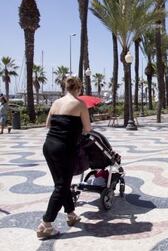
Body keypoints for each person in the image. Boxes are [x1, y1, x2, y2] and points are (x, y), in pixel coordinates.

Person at [37, 77, 92, 239]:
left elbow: (48, 124)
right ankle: (45, 225)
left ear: (66, 88)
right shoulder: (80, 104)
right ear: (79, 88)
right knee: (62, 185)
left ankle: (71, 214)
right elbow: (88, 128)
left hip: (49, 146)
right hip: (64, 149)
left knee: (61, 183)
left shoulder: (56, 103)